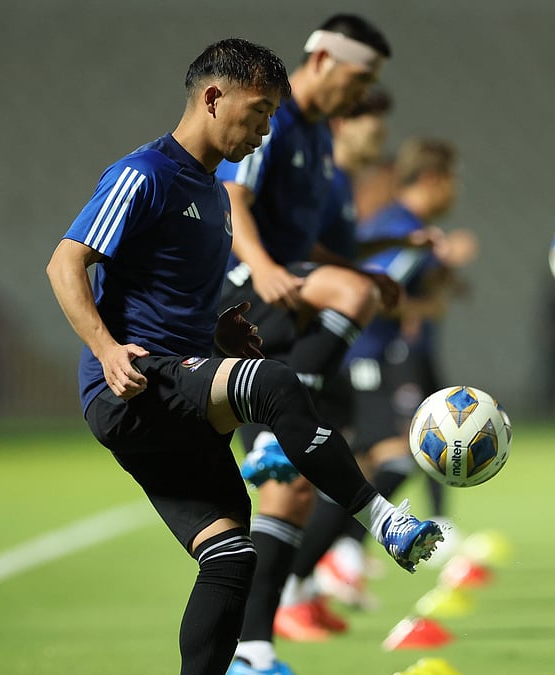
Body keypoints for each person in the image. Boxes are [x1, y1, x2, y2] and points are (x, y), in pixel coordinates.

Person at [45, 38, 443, 675]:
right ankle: (381, 518)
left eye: (271, 117)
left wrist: (219, 338)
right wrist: (105, 347)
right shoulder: (144, 174)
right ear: (212, 97)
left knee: (231, 555)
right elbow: (66, 262)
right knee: (276, 385)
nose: (263, 131)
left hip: (172, 395)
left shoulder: (210, 194)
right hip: (134, 382)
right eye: (257, 112)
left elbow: (169, 296)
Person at [212, 16, 407, 675]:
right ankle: (274, 434)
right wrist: (263, 265)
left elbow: (311, 248)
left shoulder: (322, 138)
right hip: (243, 294)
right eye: (362, 77)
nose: (364, 92)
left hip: (287, 303)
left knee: (289, 491)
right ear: (322, 58)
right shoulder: (276, 117)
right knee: (351, 299)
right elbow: (234, 199)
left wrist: (364, 268)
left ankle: (251, 650)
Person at [280, 138, 478, 628]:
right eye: (451, 179)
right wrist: (421, 305)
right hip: (369, 358)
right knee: (392, 457)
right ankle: (312, 569)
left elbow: (410, 285)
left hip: (379, 358)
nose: (455, 190)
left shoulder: (406, 230)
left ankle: (326, 566)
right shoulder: (399, 228)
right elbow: (373, 291)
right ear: (432, 180)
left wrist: (442, 280)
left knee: (367, 464)